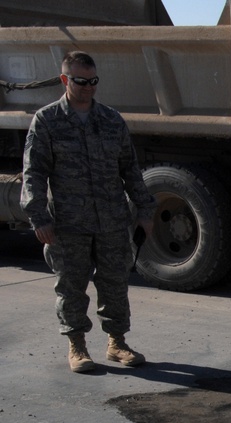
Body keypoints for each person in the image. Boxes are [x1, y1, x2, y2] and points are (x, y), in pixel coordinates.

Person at [21, 51, 156, 373]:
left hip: (111, 220)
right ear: (66, 79)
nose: (89, 87)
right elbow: (34, 172)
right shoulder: (48, 120)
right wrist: (38, 217)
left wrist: (145, 209)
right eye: (81, 81)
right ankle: (77, 347)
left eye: (94, 81)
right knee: (71, 287)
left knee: (115, 284)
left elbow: (130, 169)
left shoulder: (110, 120)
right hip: (68, 223)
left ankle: (117, 343)